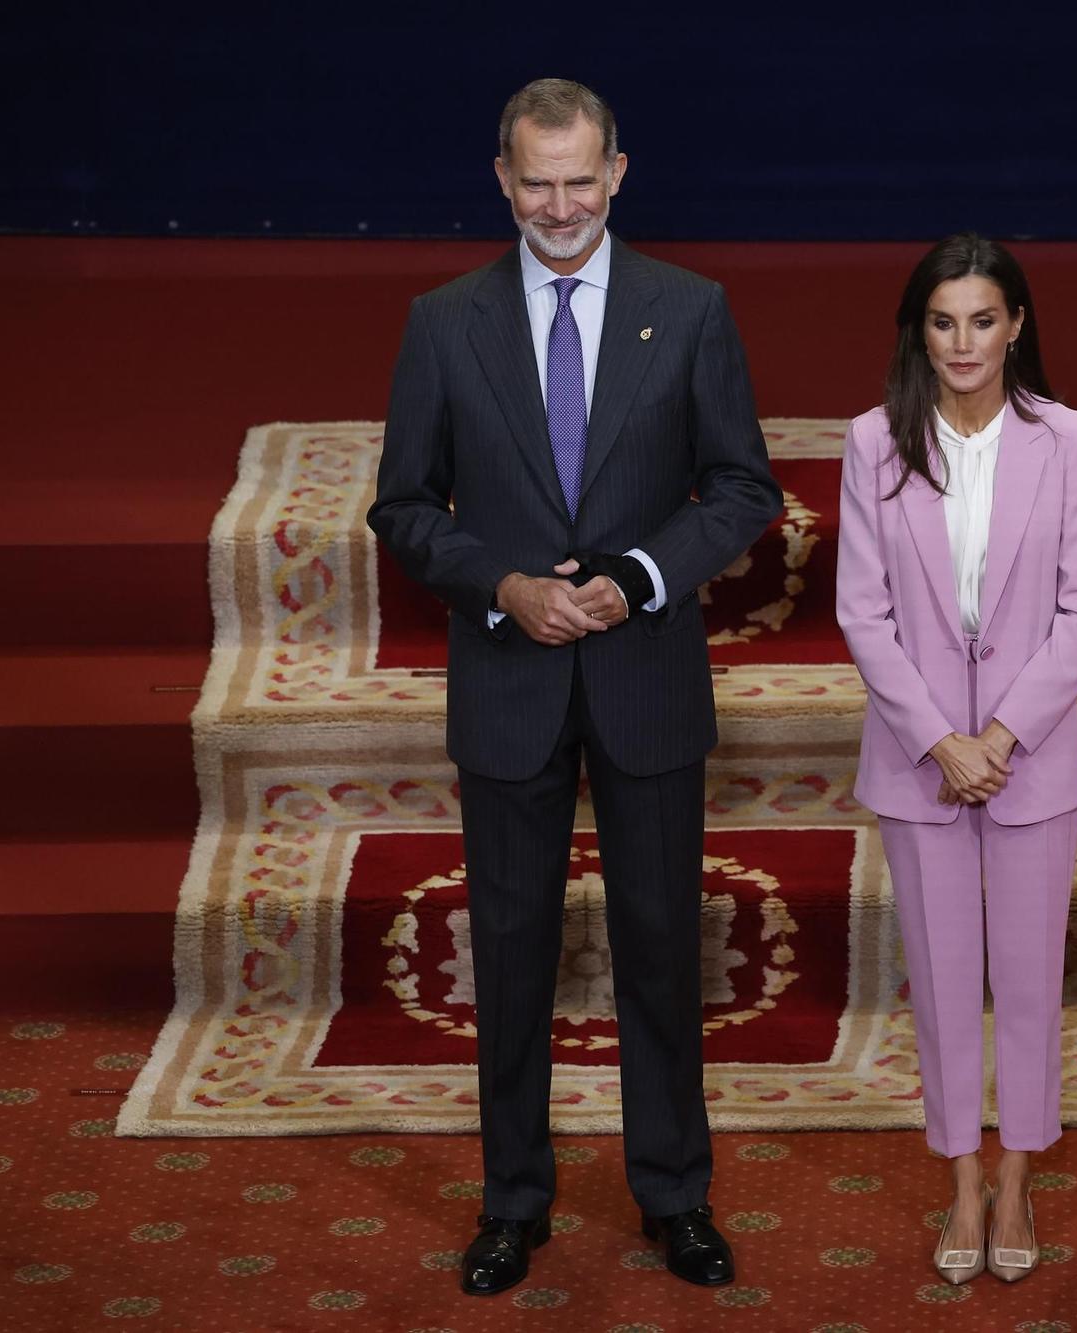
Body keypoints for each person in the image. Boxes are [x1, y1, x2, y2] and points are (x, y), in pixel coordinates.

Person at [368, 78, 782, 1295]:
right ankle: (512, 1203)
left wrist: (641, 577)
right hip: (508, 679)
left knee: (661, 945)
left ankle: (673, 1196)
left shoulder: (690, 309)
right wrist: (504, 586)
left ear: (617, 172)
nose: (560, 204)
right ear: (502, 178)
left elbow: (743, 488)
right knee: (510, 949)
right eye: (536, 181)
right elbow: (401, 505)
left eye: (580, 179)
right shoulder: (443, 322)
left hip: (645, 674)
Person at [835, 234, 1077, 1285]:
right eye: (942, 322)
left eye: (982, 320)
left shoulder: (1063, 438)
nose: (962, 342)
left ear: (1015, 327)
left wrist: (997, 737)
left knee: (1031, 984)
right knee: (945, 983)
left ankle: (1018, 1177)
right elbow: (862, 613)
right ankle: (960, 1181)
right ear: (918, 330)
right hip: (918, 763)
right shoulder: (873, 441)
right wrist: (939, 741)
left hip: (1026, 760)